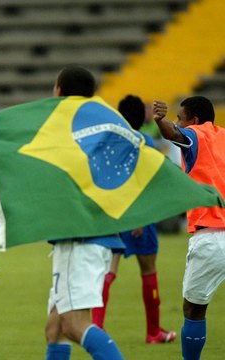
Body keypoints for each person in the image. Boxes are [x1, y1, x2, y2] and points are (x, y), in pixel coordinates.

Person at [0, 65, 124, 359]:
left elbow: (19, 135)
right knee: (54, 329)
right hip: (93, 234)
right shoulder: (104, 122)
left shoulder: (61, 122)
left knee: (73, 325)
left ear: (57, 91)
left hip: (80, 238)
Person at [91, 95, 176, 344]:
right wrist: (139, 216)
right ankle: (153, 332)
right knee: (148, 270)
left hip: (114, 215)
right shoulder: (143, 141)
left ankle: (97, 328)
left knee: (109, 270)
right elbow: (145, 181)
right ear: (141, 118)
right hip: (138, 215)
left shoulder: (109, 142)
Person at [153, 96, 225, 360]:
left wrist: (161, 120)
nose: (178, 122)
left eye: (180, 117)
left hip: (211, 235)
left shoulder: (196, 134)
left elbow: (174, 134)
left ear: (193, 120)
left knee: (193, 309)